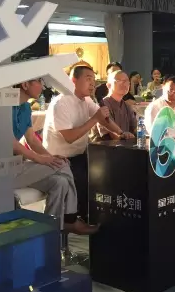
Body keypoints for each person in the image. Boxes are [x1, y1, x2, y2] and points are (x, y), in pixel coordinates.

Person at [43, 65, 132, 220]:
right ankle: (74, 220)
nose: (92, 83)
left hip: (80, 155)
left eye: (94, 79)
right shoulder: (61, 103)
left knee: (106, 173)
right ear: (73, 81)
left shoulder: (87, 100)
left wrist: (121, 132)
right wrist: (95, 119)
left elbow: (103, 119)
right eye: (88, 78)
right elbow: (70, 137)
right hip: (60, 159)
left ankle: (95, 217)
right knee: (84, 179)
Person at [12, 78, 98, 235]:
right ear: (25, 84)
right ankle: (70, 219)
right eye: (39, 81)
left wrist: (50, 157)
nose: (43, 86)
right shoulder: (4, 107)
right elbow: (11, 143)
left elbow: (31, 140)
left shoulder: (25, 108)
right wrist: (40, 159)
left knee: (60, 182)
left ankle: (50, 230)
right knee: (64, 165)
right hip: (3, 168)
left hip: (18, 166)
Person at [95, 70, 137, 141]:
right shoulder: (102, 105)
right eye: (119, 81)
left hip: (125, 144)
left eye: (127, 81)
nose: (125, 84)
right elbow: (113, 135)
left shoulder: (126, 106)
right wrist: (123, 135)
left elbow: (136, 128)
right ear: (108, 85)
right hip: (106, 145)